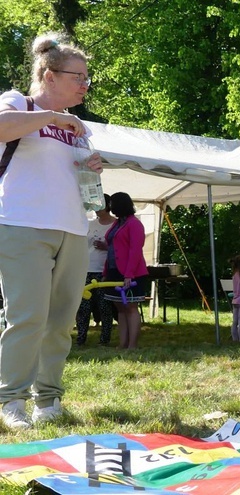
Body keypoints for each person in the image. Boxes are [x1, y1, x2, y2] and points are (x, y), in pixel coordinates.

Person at [0, 32, 102, 428]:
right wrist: (53, 117)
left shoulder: (80, 127)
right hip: (22, 224)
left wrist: (91, 168)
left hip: (74, 227)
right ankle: (11, 402)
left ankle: (49, 400)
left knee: (61, 320)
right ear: (49, 75)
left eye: (86, 77)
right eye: (78, 76)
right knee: (26, 316)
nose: (85, 85)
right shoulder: (18, 103)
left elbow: (77, 176)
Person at [102, 192, 149, 350]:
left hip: (132, 272)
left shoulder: (134, 224)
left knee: (130, 307)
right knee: (120, 308)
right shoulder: (117, 224)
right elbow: (111, 248)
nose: (110, 207)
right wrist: (105, 272)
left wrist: (129, 274)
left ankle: (132, 344)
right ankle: (122, 343)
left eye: (112, 204)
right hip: (114, 270)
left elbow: (135, 250)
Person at [75, 194, 116, 346]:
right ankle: (81, 338)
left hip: (104, 270)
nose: (95, 208)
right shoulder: (89, 223)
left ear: (107, 206)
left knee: (104, 306)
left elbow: (122, 247)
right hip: (86, 269)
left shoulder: (115, 225)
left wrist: (108, 247)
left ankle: (105, 339)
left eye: (99, 205)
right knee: (83, 307)